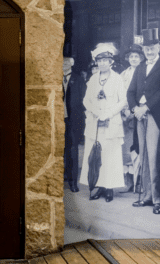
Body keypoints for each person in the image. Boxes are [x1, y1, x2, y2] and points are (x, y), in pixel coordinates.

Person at [127, 28, 160, 214]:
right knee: (143, 156)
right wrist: (135, 108)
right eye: (146, 48)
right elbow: (130, 92)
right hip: (140, 116)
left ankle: (157, 198)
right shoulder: (140, 67)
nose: (149, 51)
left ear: (159, 46)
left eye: (152, 47)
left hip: (154, 115)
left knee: (153, 157)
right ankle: (146, 196)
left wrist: (146, 107)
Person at [79, 43, 126, 202]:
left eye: (106, 60)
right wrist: (96, 112)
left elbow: (123, 101)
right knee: (96, 156)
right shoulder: (93, 79)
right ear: (96, 62)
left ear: (111, 61)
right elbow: (86, 100)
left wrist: (108, 114)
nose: (102, 63)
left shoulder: (117, 78)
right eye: (100, 61)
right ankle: (98, 186)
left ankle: (109, 188)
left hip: (111, 122)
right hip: (95, 122)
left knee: (110, 155)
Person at [120, 44, 145, 193]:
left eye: (136, 56)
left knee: (139, 147)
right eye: (131, 56)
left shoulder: (143, 72)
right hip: (125, 115)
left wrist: (134, 110)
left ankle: (139, 181)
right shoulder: (123, 74)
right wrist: (124, 111)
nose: (133, 59)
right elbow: (121, 94)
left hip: (138, 113)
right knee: (126, 148)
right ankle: (128, 181)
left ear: (141, 58)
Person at [63, 56, 87, 193]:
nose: (63, 64)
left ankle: (73, 182)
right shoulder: (55, 77)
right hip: (59, 119)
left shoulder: (78, 79)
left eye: (66, 61)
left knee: (72, 150)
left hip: (73, 120)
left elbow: (83, 99)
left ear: (71, 64)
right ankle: (63, 177)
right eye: (61, 61)